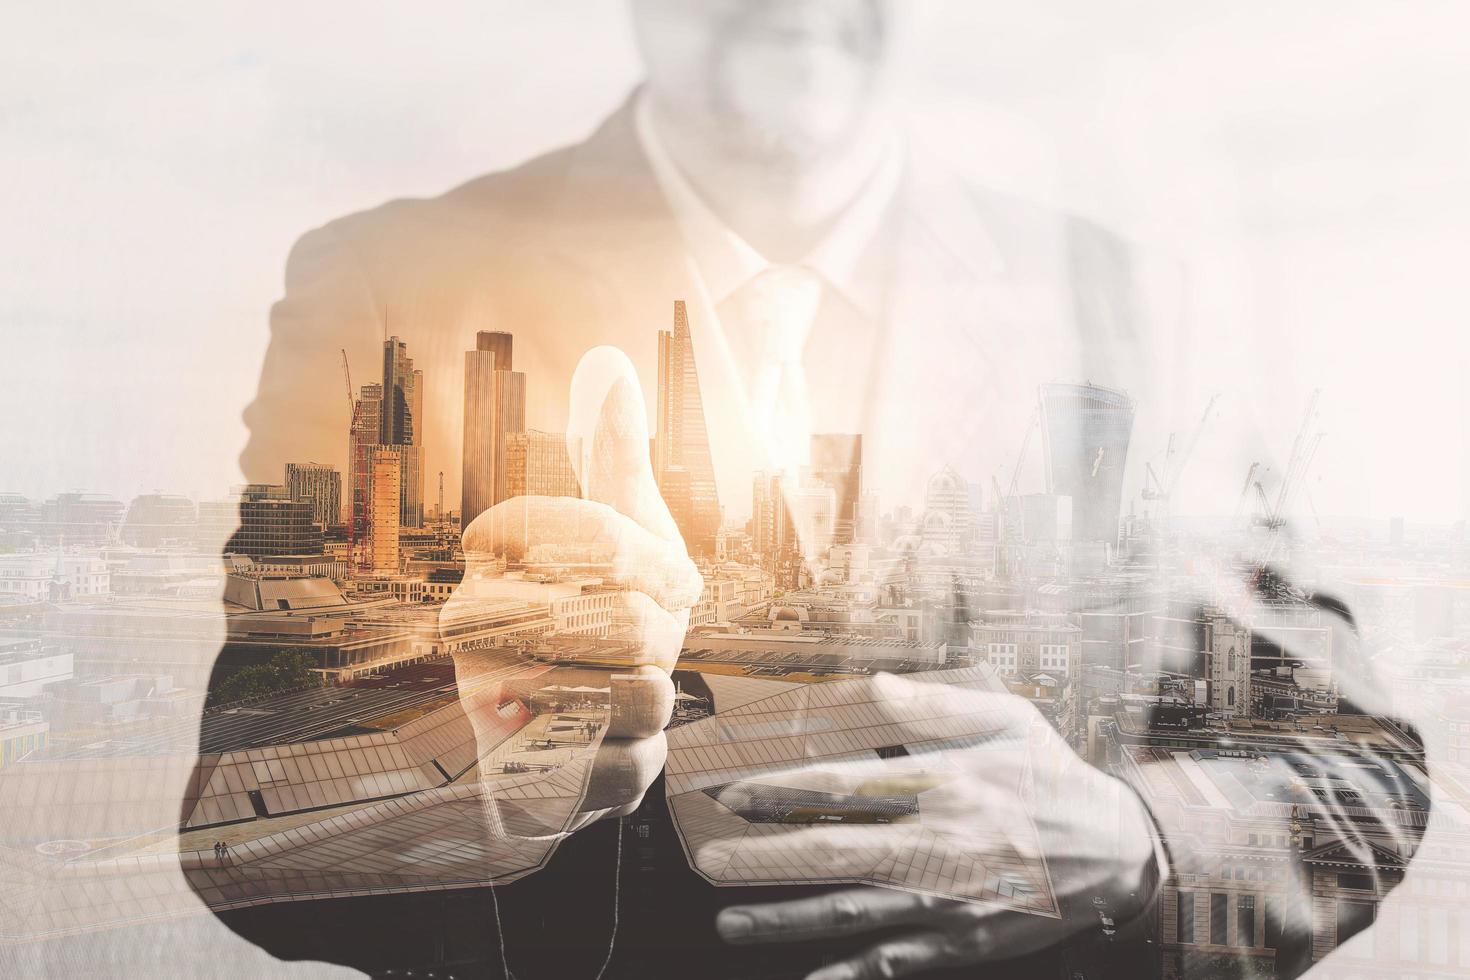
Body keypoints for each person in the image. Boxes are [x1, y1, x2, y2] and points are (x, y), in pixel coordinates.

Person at [197, 2, 1426, 977]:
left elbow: (1354, 777)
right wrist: (458, 775)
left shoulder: (1129, 310)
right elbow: (243, 832)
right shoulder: (390, 281)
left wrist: (1136, 842)